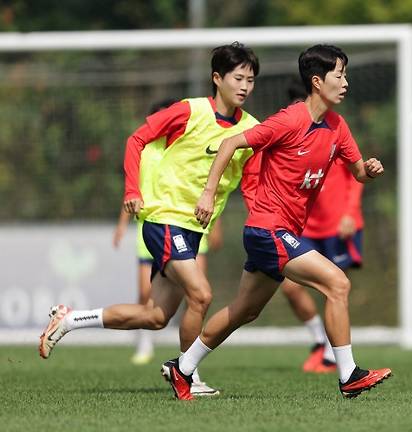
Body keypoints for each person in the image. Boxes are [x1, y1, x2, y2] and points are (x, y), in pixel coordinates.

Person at [165, 44, 390, 401]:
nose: (345, 82)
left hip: (278, 232)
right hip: (268, 230)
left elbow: (358, 172)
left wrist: (369, 170)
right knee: (338, 284)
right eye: (339, 74)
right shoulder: (289, 120)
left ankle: (183, 367)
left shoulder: (337, 126)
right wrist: (207, 194)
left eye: (345, 74)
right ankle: (348, 375)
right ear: (317, 81)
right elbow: (228, 145)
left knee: (245, 311)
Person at [38, 42, 260, 397]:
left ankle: (68, 320)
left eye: (251, 80)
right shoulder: (190, 112)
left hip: (193, 229)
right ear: (217, 78)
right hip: (165, 218)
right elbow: (137, 139)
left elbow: (254, 178)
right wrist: (131, 190)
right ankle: (187, 376)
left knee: (156, 316)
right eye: (238, 78)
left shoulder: (251, 128)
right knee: (201, 294)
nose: (245, 86)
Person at [241, 78, 365, 373]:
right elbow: (251, 178)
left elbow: (356, 176)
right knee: (293, 291)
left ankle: (336, 360)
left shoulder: (333, 131)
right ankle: (324, 345)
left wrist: (350, 212)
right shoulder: (286, 131)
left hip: (337, 227)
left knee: (334, 287)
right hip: (295, 228)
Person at [112, 99, 224, 367]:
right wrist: (122, 222)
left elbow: (211, 184)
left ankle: (71, 319)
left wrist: (215, 225)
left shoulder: (186, 146)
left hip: (193, 229)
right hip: (156, 226)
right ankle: (185, 371)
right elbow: (134, 187)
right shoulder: (147, 150)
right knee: (195, 293)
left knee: (164, 312)